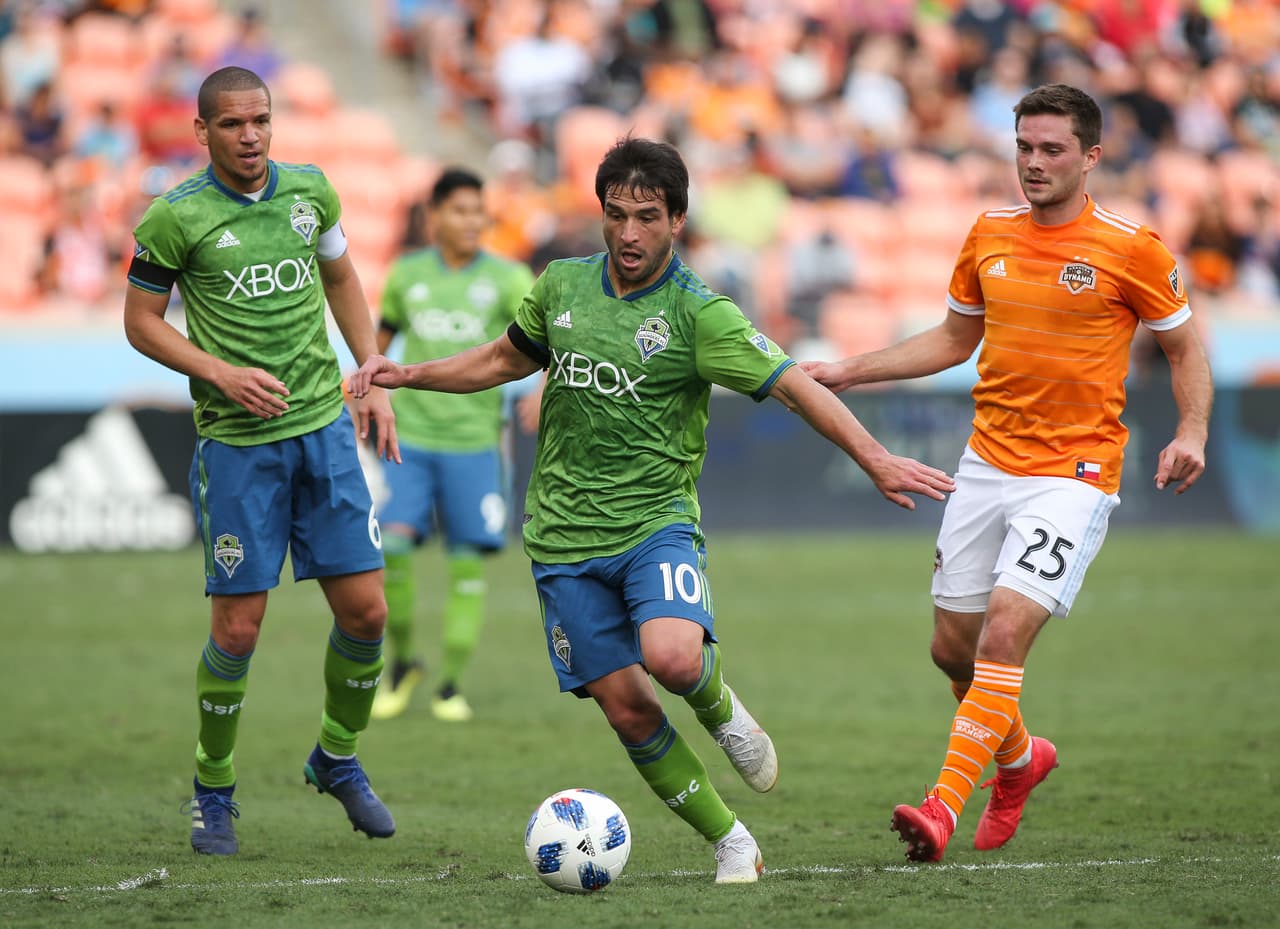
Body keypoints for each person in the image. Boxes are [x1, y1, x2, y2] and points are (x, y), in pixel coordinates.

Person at [348, 137, 955, 882]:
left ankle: (721, 708)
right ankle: (731, 840)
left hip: (653, 522)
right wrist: (409, 373)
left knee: (672, 657)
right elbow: (504, 359)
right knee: (628, 708)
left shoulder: (700, 314)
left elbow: (795, 386)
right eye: (616, 215)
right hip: (561, 536)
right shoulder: (561, 285)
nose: (629, 233)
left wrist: (875, 457)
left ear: (677, 220)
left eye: (647, 217)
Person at [803, 83, 1214, 863]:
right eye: (1024, 146)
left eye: (1052, 149)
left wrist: (1191, 429)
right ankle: (1021, 760)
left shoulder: (1133, 248)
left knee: (1002, 632)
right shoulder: (989, 232)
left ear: (1091, 157)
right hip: (987, 462)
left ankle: (942, 807)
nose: (1033, 162)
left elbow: (1185, 347)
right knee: (949, 649)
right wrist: (851, 370)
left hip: (1074, 472)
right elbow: (955, 339)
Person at [122, 66, 402, 856]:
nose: (251, 136)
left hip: (323, 431)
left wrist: (371, 369)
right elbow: (141, 321)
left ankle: (336, 756)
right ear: (203, 131)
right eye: (233, 124)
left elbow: (341, 275)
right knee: (239, 629)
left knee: (368, 613)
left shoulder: (311, 192)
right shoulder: (175, 217)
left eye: (261, 121)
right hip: (238, 447)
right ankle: (213, 790)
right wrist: (218, 371)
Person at [368, 167, 535, 723]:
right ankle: (403, 662)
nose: (472, 221)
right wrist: (366, 391)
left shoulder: (509, 278)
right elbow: (379, 344)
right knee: (392, 548)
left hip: (475, 442)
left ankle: (450, 684)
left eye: (478, 211)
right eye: (460, 210)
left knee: (466, 561)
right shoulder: (406, 274)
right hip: (410, 440)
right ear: (434, 215)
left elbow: (552, 340)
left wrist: (541, 389)